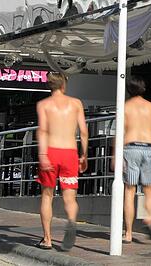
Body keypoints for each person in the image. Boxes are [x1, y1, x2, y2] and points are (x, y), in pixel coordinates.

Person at [35, 72, 88, 251]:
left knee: (47, 195)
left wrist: (42, 156)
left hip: (50, 152)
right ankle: (71, 223)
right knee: (70, 197)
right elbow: (84, 131)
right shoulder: (76, 103)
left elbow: (42, 130)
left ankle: (48, 239)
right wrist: (84, 154)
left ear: (49, 86)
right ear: (63, 85)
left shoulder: (43, 105)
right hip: (70, 153)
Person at [121, 76, 151, 243]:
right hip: (149, 148)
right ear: (143, 89)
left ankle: (128, 233)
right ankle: (149, 218)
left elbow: (119, 133)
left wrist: (114, 155)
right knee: (149, 188)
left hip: (130, 147)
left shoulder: (125, 107)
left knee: (129, 190)